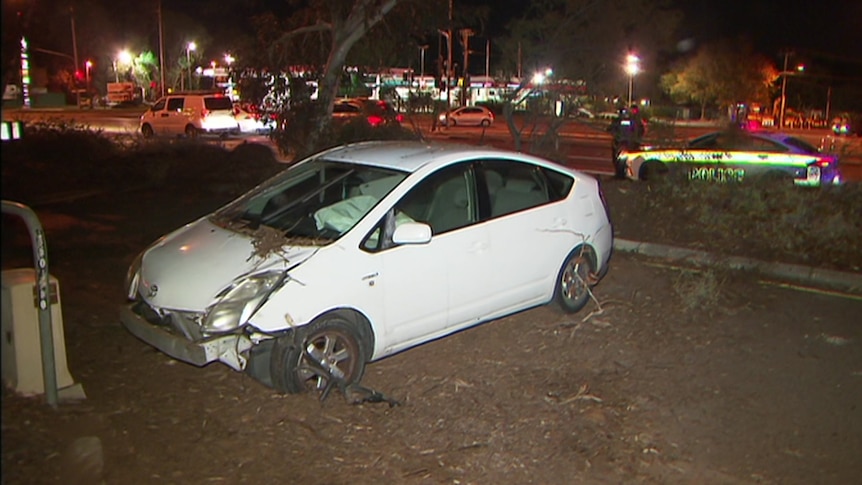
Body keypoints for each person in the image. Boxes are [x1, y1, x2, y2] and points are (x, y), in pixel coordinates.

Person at [607, 106, 643, 179]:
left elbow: (610, 129)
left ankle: (621, 174)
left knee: (619, 160)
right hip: (629, 143)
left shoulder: (620, 121)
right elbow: (640, 131)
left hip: (623, 144)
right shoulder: (634, 121)